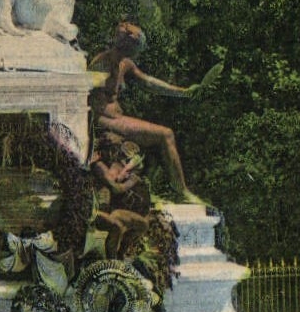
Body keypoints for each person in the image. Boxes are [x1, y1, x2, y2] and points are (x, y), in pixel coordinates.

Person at [88, 21, 221, 205]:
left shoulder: (124, 63)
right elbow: (86, 97)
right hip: (104, 120)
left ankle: (176, 190)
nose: (138, 51)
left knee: (161, 137)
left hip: (116, 118)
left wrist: (183, 92)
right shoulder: (102, 63)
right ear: (127, 44)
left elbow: (149, 82)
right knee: (166, 134)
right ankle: (182, 191)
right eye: (137, 46)